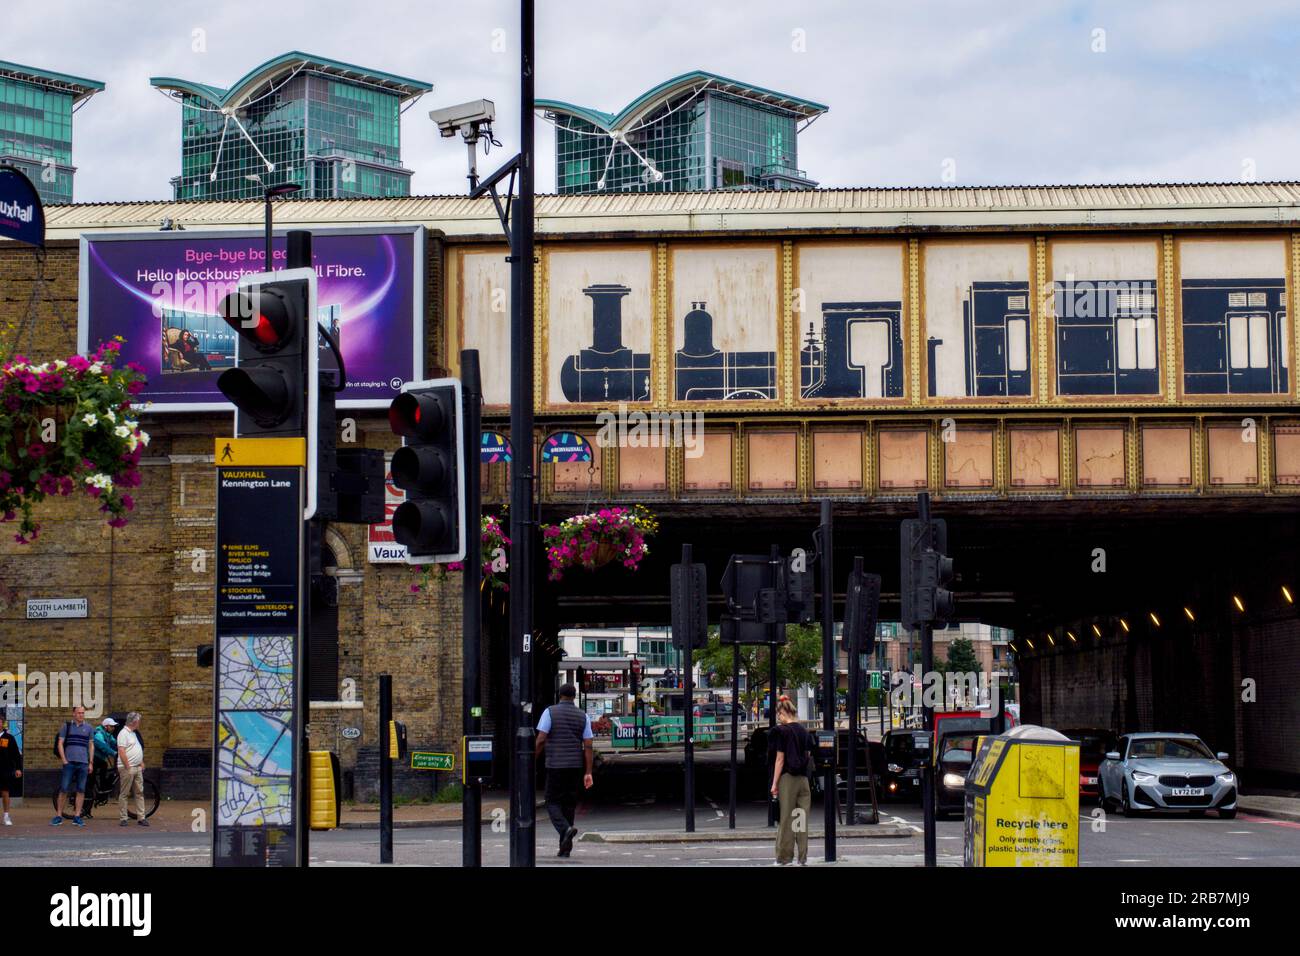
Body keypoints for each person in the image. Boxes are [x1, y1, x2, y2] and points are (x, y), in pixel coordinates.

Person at [534, 684, 593, 858]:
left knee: (552, 802)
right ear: (574, 697)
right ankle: (565, 848)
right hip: (575, 767)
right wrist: (588, 772)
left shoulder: (549, 712)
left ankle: (565, 829)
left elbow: (540, 740)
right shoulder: (583, 716)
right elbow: (588, 745)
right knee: (569, 805)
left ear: (559, 695)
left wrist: (531, 761)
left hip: (555, 765)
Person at [769, 695, 814, 866]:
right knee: (801, 820)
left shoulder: (783, 732)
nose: (778, 718)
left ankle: (783, 858)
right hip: (803, 780)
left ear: (784, 712)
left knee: (786, 819)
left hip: (788, 779)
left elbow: (779, 760)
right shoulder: (805, 732)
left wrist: (774, 784)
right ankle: (802, 859)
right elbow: (808, 755)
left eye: (778, 714)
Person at [52, 705, 94, 827]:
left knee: (81, 789)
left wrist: (90, 762)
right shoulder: (67, 726)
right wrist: (64, 759)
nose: (81, 715)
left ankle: (77, 816)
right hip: (69, 763)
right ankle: (59, 816)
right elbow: (60, 743)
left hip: (83, 763)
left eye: (83, 713)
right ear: (74, 714)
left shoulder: (89, 728)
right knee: (64, 788)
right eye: (79, 713)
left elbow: (91, 745)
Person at [117, 712, 147, 827]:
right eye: (139, 721)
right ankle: (123, 818)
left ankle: (141, 817)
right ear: (134, 722)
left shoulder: (133, 734)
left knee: (139, 792)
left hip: (137, 767)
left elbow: (135, 749)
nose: (139, 724)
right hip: (127, 768)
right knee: (124, 793)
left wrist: (141, 762)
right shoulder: (123, 733)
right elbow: (122, 751)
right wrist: (128, 766)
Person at [0, 714, 21, 826]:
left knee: (5, 793)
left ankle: (6, 815)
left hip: (5, 770)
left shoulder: (9, 738)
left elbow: (16, 755)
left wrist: (18, 768)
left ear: (2, 723)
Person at [92, 716, 119, 796]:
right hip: (93, 758)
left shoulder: (108, 735)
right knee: (104, 765)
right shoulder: (99, 734)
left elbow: (116, 743)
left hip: (99, 758)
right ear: (105, 726)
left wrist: (123, 748)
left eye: (114, 726)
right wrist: (114, 753)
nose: (113, 728)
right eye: (111, 726)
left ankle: (102, 787)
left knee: (104, 766)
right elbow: (103, 747)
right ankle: (101, 788)